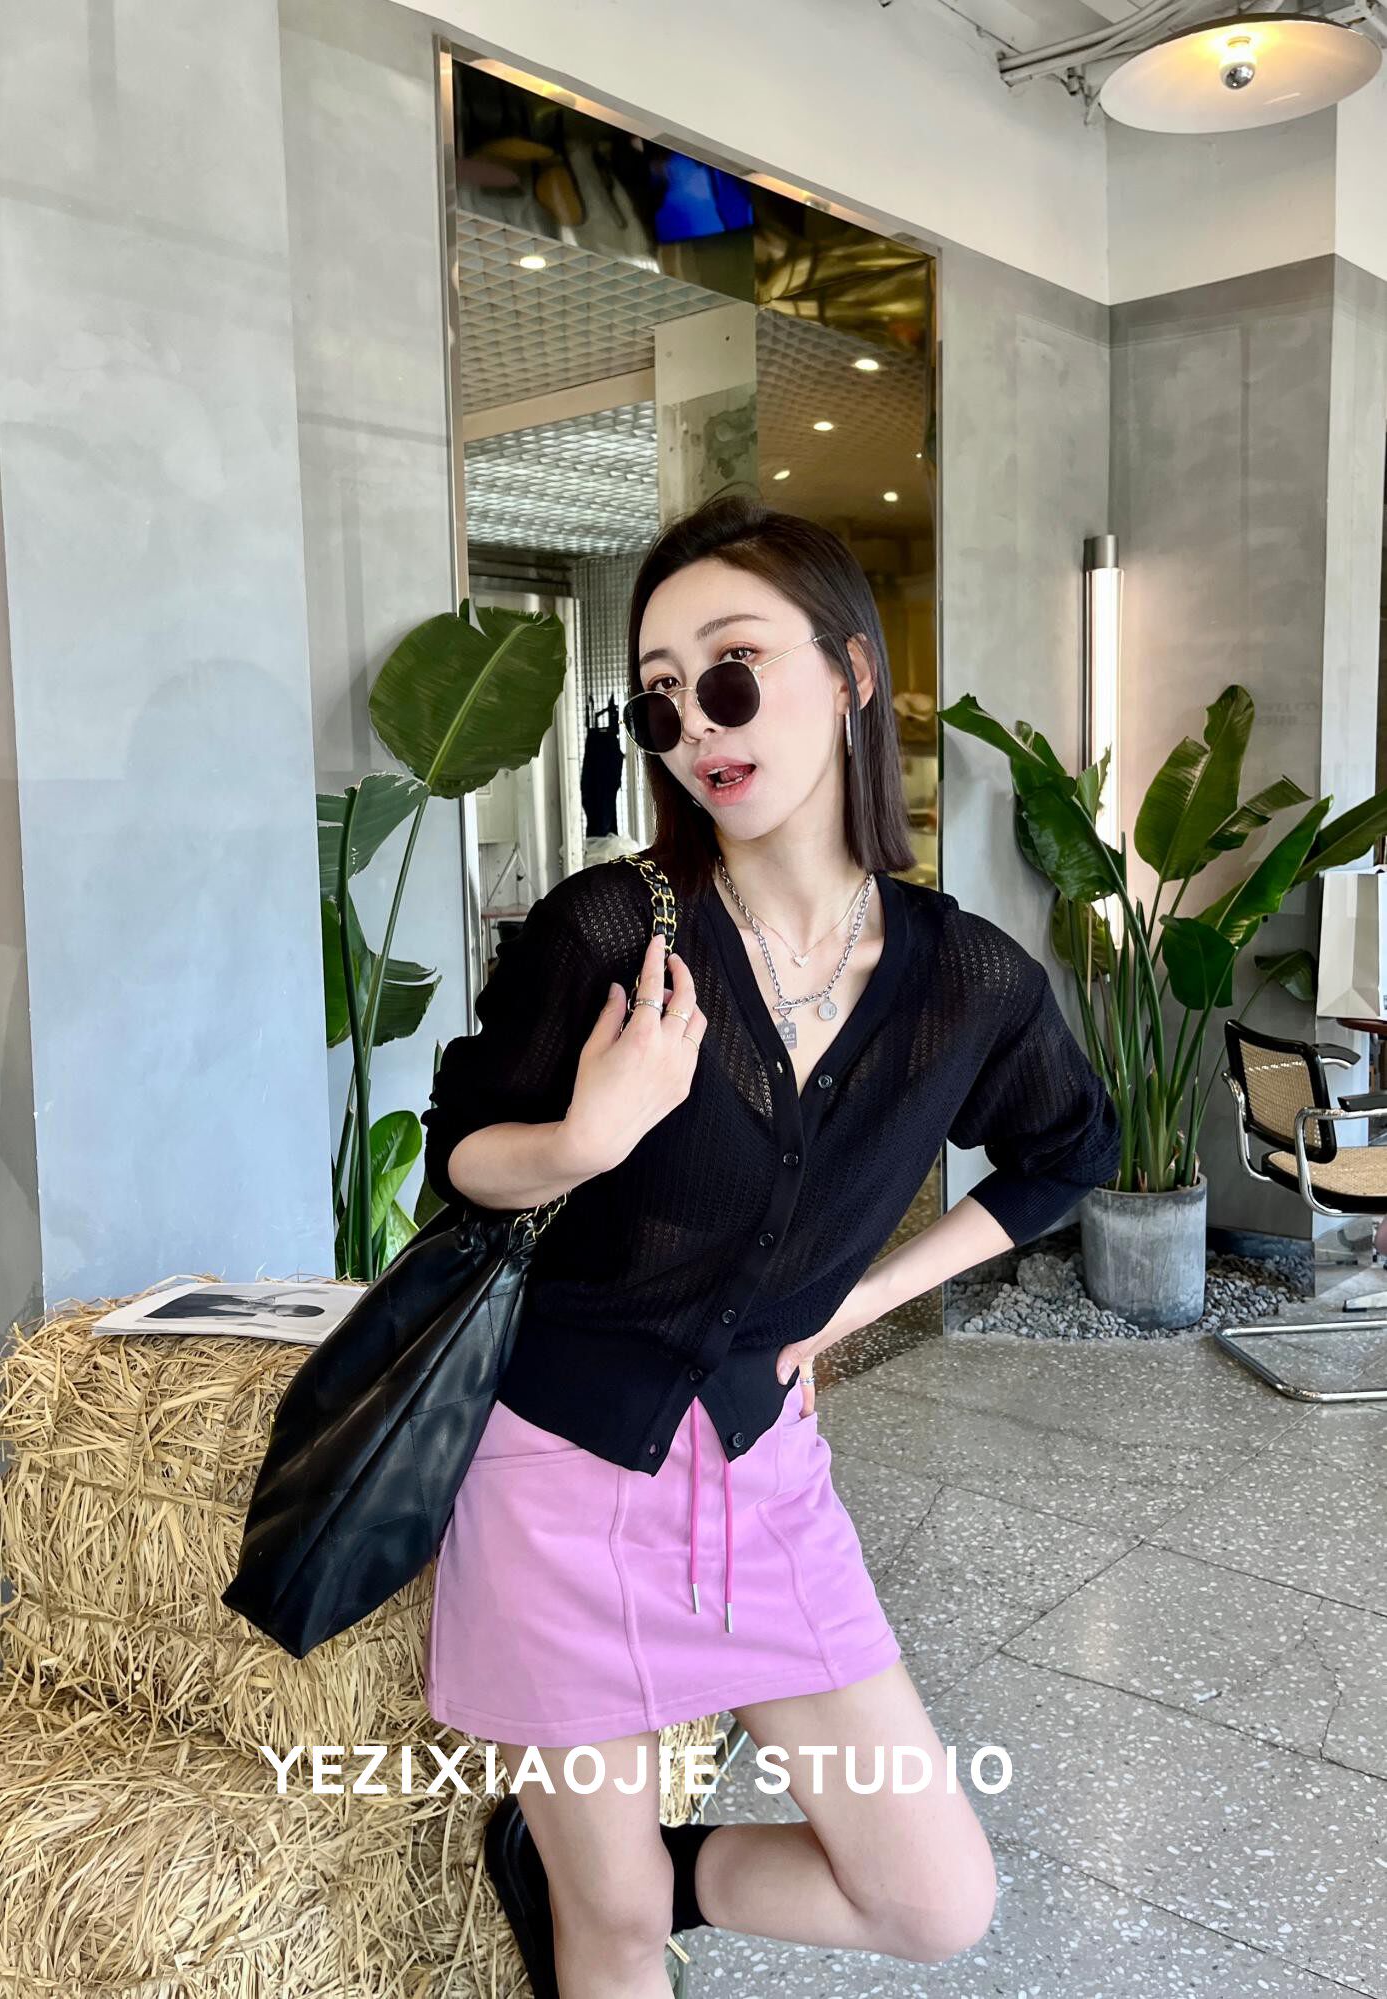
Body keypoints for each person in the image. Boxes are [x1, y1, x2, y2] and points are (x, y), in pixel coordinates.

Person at [417, 493, 1122, 1999]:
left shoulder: (962, 977)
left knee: (934, 1900)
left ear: (852, 670)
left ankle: (617, 1873)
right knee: (609, 1935)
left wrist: (860, 1300)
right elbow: (459, 1158)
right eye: (660, 698)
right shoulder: (613, 929)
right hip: (555, 1477)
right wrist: (584, 1140)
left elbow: (1071, 1152)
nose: (696, 728)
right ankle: (604, 1895)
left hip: (765, 1482)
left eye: (731, 672)